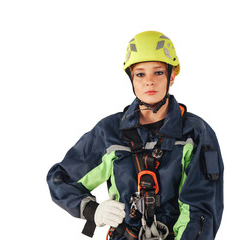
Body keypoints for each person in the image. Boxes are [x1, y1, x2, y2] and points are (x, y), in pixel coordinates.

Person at [47, 31, 224, 240]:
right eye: (140, 74)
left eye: (158, 72)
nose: (149, 81)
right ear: (131, 77)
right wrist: (91, 210)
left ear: (172, 75)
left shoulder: (195, 134)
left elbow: (200, 209)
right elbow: (61, 179)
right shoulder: (109, 132)